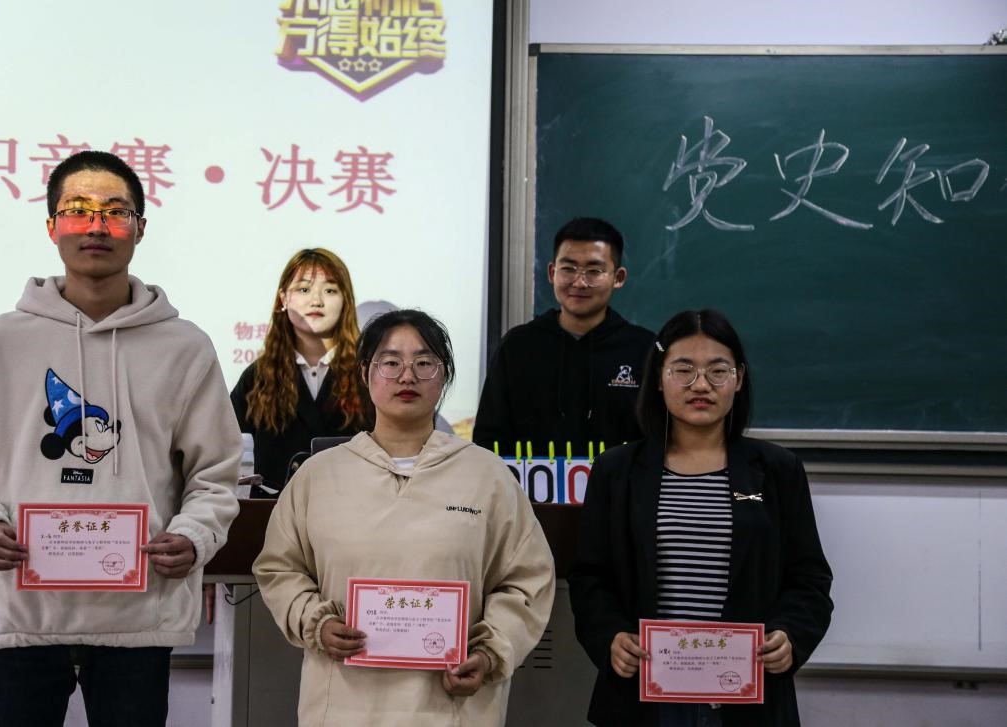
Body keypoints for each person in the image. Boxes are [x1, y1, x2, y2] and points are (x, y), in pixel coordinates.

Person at [0, 151, 241, 727]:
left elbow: (215, 473)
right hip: (24, 616)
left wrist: (195, 534)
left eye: (115, 212)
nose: (96, 226)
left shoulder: (185, 347)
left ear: (140, 229)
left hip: (138, 616)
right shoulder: (0, 341)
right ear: (52, 227)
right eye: (77, 210)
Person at [253, 309, 556, 726]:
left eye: (424, 362)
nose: (407, 376)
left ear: (444, 375)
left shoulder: (487, 475)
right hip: (343, 707)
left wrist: (490, 653)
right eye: (391, 362)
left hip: (453, 706)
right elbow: (279, 568)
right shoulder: (318, 475)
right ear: (365, 373)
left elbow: (527, 579)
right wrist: (315, 623)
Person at [568, 309, 832, 727]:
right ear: (659, 378)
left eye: (718, 371)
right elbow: (590, 577)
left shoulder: (777, 470)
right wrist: (610, 637)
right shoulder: (616, 470)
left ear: (739, 379)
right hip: (645, 694)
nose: (701, 385)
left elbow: (809, 579)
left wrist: (791, 635)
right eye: (683, 369)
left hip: (746, 695)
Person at [473, 217, 653, 457]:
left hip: (621, 482)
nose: (579, 282)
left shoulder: (644, 349)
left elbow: (659, 435)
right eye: (568, 268)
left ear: (618, 278)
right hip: (528, 483)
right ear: (552, 273)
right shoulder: (518, 346)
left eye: (594, 271)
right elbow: (488, 437)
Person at [230, 248, 369, 493]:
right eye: (304, 289)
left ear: (346, 300)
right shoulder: (257, 378)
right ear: (283, 299)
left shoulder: (369, 373)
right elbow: (226, 452)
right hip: (273, 512)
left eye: (330, 290)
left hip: (357, 508)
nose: (316, 300)